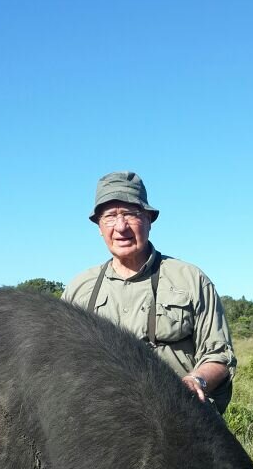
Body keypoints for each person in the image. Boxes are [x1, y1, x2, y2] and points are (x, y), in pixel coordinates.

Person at [62, 171, 235, 412]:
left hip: (178, 415)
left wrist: (196, 382)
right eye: (110, 216)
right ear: (99, 227)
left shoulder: (191, 279)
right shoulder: (78, 289)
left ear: (149, 220)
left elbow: (220, 355)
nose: (120, 227)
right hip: (100, 421)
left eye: (130, 214)